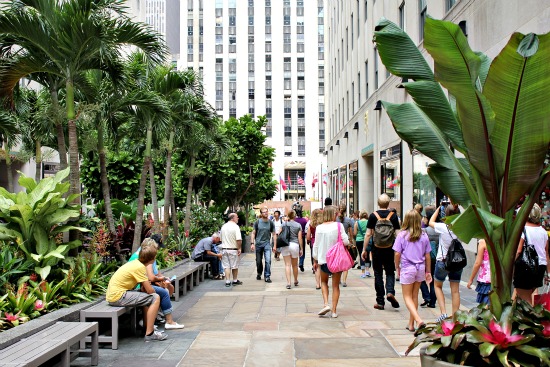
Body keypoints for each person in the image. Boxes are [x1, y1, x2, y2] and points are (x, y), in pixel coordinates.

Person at [107, 239, 167, 342]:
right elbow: (150, 291)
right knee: (155, 298)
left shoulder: (137, 263)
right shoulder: (139, 268)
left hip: (117, 294)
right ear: (151, 259)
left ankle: (146, 328)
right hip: (118, 296)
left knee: (147, 297)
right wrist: (159, 286)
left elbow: (144, 289)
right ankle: (150, 333)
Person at [128, 235, 183, 330]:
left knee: (168, 287)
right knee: (162, 292)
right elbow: (148, 279)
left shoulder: (145, 254)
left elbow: (154, 274)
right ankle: (165, 321)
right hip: (135, 287)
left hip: (142, 283)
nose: (158, 249)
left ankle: (157, 314)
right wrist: (160, 283)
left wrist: (162, 280)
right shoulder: (144, 256)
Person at [393, 210, 432, 332]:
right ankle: (411, 324)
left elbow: (397, 253)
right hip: (420, 268)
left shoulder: (402, 235)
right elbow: (427, 255)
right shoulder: (424, 235)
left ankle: (418, 320)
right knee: (415, 296)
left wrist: (397, 267)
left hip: (407, 267)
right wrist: (428, 271)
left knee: (407, 297)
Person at [362, 194, 401, 310]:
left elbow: (368, 234)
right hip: (389, 249)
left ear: (378, 203)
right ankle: (390, 292)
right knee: (390, 272)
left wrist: (364, 249)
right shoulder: (393, 216)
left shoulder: (373, 216)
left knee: (378, 273)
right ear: (388, 204)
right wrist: (399, 249)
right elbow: (398, 234)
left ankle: (380, 302)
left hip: (376, 249)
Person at [313, 205, 349, 318]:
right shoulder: (339, 226)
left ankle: (326, 304)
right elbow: (346, 241)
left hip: (324, 259)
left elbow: (316, 245)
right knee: (335, 286)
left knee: (323, 282)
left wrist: (315, 259)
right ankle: (334, 311)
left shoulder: (319, 228)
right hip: (336, 260)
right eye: (336, 213)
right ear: (333, 214)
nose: (337, 215)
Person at [429, 203, 462, 322]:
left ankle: (443, 313)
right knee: (455, 290)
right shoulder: (461, 228)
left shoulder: (443, 227)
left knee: (437, 285)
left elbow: (430, 222)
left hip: (442, 261)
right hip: (457, 261)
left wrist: (438, 208)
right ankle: (455, 317)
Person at [514, 203, 550, 305]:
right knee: (526, 295)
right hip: (540, 267)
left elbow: (519, 250)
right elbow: (546, 254)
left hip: (526, 266)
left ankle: (531, 319)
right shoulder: (543, 231)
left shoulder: (523, 230)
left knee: (525, 299)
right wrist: (548, 273)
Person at [276, 209, 303, 289]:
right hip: (294, 245)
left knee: (287, 265)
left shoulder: (284, 224)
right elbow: (300, 238)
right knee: (295, 265)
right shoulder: (298, 225)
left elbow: (279, 234)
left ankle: (288, 283)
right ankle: (295, 280)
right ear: (295, 216)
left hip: (285, 245)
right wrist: (301, 248)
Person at [251, 206, 277, 283]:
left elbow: (274, 234)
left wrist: (275, 245)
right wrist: (252, 243)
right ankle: (259, 272)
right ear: (261, 213)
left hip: (267, 244)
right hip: (258, 244)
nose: (266, 213)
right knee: (259, 262)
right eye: (264, 212)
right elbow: (253, 233)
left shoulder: (270, 222)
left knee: (268, 260)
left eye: (267, 211)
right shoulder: (257, 222)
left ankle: (267, 276)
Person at [419, 206, 437, 308]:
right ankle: (432, 302)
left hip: (426, 257)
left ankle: (427, 296)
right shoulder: (439, 229)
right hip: (437, 257)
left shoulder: (424, 231)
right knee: (433, 280)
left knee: (421, 278)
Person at [220, 213, 243, 287]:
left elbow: (221, 239)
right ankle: (235, 280)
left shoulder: (223, 226)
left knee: (226, 266)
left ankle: (227, 281)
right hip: (233, 249)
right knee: (234, 266)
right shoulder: (235, 227)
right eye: (237, 217)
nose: (238, 218)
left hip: (224, 249)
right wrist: (239, 248)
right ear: (232, 218)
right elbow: (239, 239)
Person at [467, 239, 491, 305]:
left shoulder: (483, 241)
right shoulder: (502, 239)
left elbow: (478, 263)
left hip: (486, 279)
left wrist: (471, 279)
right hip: (499, 280)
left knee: (484, 307)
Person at [337, 204, 355, 287]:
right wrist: (351, 241)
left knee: (339, 261)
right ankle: (344, 280)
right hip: (345, 242)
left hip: (337, 243)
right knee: (346, 261)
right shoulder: (348, 220)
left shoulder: (335, 220)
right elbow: (352, 231)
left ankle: (339, 279)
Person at [306, 208, 323, 289]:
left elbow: (308, 237)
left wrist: (308, 241)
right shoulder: (323, 224)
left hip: (314, 244)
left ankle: (317, 284)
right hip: (323, 244)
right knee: (322, 263)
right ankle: (323, 282)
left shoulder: (311, 225)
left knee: (316, 264)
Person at [354, 210, 371, 278]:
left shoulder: (357, 223)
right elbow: (371, 232)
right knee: (367, 254)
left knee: (361, 254)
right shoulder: (368, 222)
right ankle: (367, 271)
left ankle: (363, 272)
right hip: (367, 240)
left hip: (359, 240)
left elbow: (355, 233)